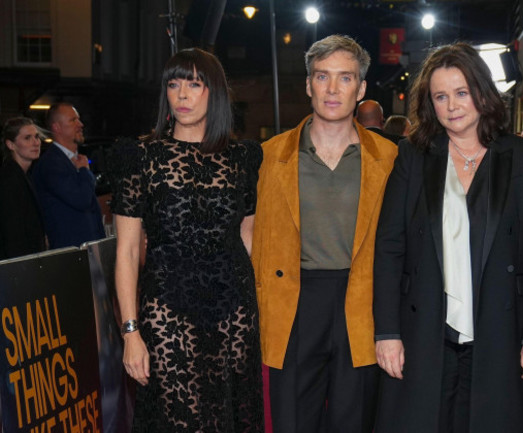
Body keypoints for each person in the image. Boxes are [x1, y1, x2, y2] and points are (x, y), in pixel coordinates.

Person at [373, 42, 523, 433]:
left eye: (461, 92)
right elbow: (389, 247)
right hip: (425, 330)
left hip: (500, 330)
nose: (452, 105)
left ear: (482, 93)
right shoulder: (413, 157)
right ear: (430, 104)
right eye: (441, 96)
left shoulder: (521, 158)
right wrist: (387, 333)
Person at [112, 47, 263, 432]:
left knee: (227, 419)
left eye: (194, 84)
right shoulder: (141, 157)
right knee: (182, 421)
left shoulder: (243, 158)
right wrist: (131, 332)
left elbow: (248, 238)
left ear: (214, 92)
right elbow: (128, 252)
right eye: (174, 84)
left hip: (234, 311)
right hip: (167, 310)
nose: (181, 95)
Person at [251, 35, 397, 432]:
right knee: (293, 422)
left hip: (362, 303)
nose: (333, 89)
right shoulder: (269, 156)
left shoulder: (390, 159)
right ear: (308, 84)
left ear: (361, 88)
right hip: (295, 303)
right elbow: (250, 232)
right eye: (322, 77)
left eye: (345, 78)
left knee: (355, 421)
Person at [31, 102, 105, 248]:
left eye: (78, 119)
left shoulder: (73, 160)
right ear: (56, 127)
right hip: (72, 254)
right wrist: (84, 171)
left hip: (89, 251)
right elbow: (81, 199)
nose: (81, 124)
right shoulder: (51, 164)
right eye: (73, 120)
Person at [0, 117, 47, 260]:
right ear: (11, 145)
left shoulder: (22, 175)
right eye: (27, 138)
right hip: (19, 267)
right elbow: (12, 234)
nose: (36, 143)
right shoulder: (9, 179)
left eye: (37, 137)